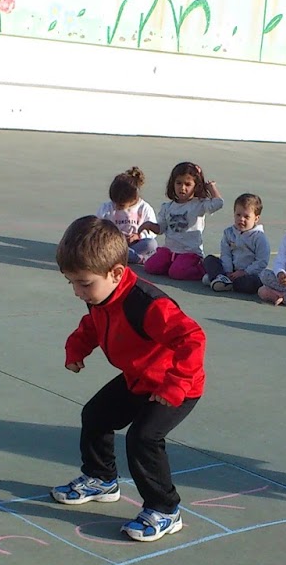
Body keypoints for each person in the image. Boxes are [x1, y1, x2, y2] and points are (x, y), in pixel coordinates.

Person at [51, 216, 205, 542]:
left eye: (84, 283)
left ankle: (165, 509)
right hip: (139, 376)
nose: (78, 292)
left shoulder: (147, 305)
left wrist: (176, 383)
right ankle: (101, 478)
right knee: (95, 415)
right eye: (72, 283)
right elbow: (92, 325)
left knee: (143, 438)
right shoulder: (102, 297)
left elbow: (192, 339)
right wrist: (76, 348)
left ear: (116, 273)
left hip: (175, 383)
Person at [144, 161, 223, 281]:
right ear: (172, 184)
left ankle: (202, 268)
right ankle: (175, 265)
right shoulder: (167, 207)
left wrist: (211, 187)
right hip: (170, 251)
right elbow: (161, 229)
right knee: (150, 267)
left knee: (176, 273)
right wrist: (149, 225)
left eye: (188, 184)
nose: (182, 188)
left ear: (196, 186)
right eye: (178, 183)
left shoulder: (198, 204)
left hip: (190, 253)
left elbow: (218, 203)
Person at [202, 193, 270, 295]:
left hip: (248, 274)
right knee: (209, 260)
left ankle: (222, 281)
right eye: (238, 215)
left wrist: (245, 272)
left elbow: (262, 261)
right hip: (230, 271)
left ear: (256, 218)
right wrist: (228, 271)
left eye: (246, 216)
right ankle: (222, 279)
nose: (241, 219)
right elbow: (226, 254)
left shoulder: (259, 237)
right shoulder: (229, 232)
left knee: (251, 283)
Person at [95, 166, 158, 264]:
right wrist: (115, 237)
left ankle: (128, 257)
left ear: (134, 198)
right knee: (100, 246)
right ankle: (137, 258)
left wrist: (138, 236)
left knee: (151, 244)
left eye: (121, 205)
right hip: (114, 244)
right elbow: (98, 228)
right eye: (114, 202)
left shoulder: (144, 208)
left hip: (135, 244)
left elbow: (152, 231)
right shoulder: (106, 208)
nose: (117, 206)